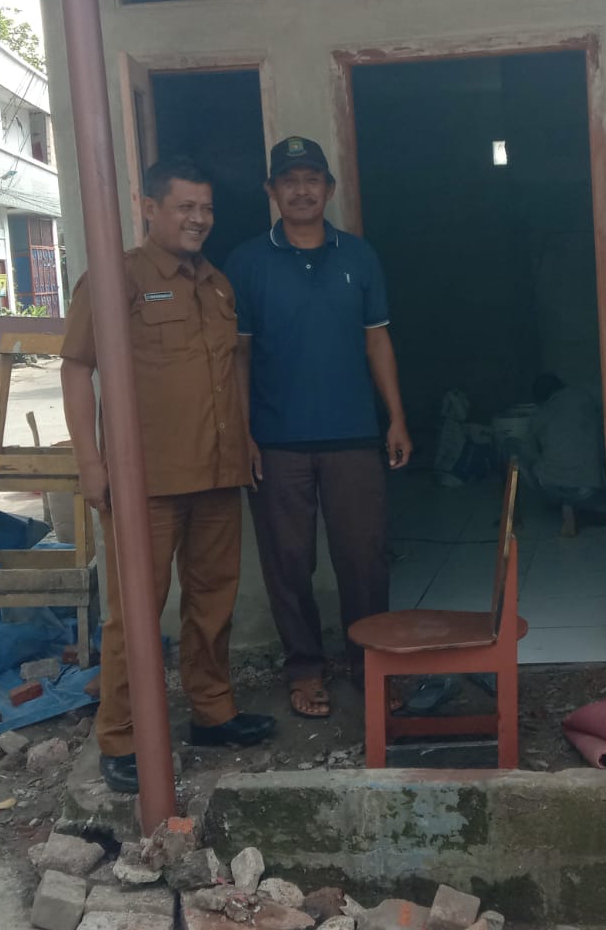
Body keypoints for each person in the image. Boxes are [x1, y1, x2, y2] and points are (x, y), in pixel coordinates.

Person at [62, 156, 275, 794]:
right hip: (145, 481)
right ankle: (122, 736)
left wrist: (245, 437)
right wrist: (90, 462)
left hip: (217, 471)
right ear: (149, 208)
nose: (198, 219)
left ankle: (212, 712)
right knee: (135, 611)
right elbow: (77, 367)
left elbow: (231, 369)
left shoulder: (217, 283)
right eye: (185, 206)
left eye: (206, 208)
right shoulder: (116, 278)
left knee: (213, 600)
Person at [225, 136, 412, 721]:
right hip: (277, 441)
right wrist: (242, 432)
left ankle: (370, 667)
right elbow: (238, 355)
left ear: (329, 189)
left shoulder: (359, 256)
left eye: (312, 180)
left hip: (353, 435)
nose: (301, 190)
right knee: (288, 563)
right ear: (272, 191)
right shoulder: (247, 262)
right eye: (289, 181)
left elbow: (377, 339)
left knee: (365, 559)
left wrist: (396, 417)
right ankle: (304, 669)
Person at [517, 373, 606, 512]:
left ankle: (563, 505)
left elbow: (527, 451)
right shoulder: (584, 397)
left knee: (513, 449)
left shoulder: (540, 414)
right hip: (589, 490)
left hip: (552, 487)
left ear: (540, 399)